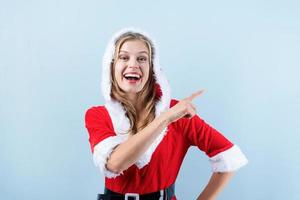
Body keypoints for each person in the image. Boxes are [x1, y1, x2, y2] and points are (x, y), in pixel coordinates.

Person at [84, 27, 248, 200]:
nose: (133, 64)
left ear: (152, 69)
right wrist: (165, 118)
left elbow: (229, 158)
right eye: (124, 57)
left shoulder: (179, 114)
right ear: (111, 67)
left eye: (142, 58)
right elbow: (115, 164)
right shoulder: (98, 115)